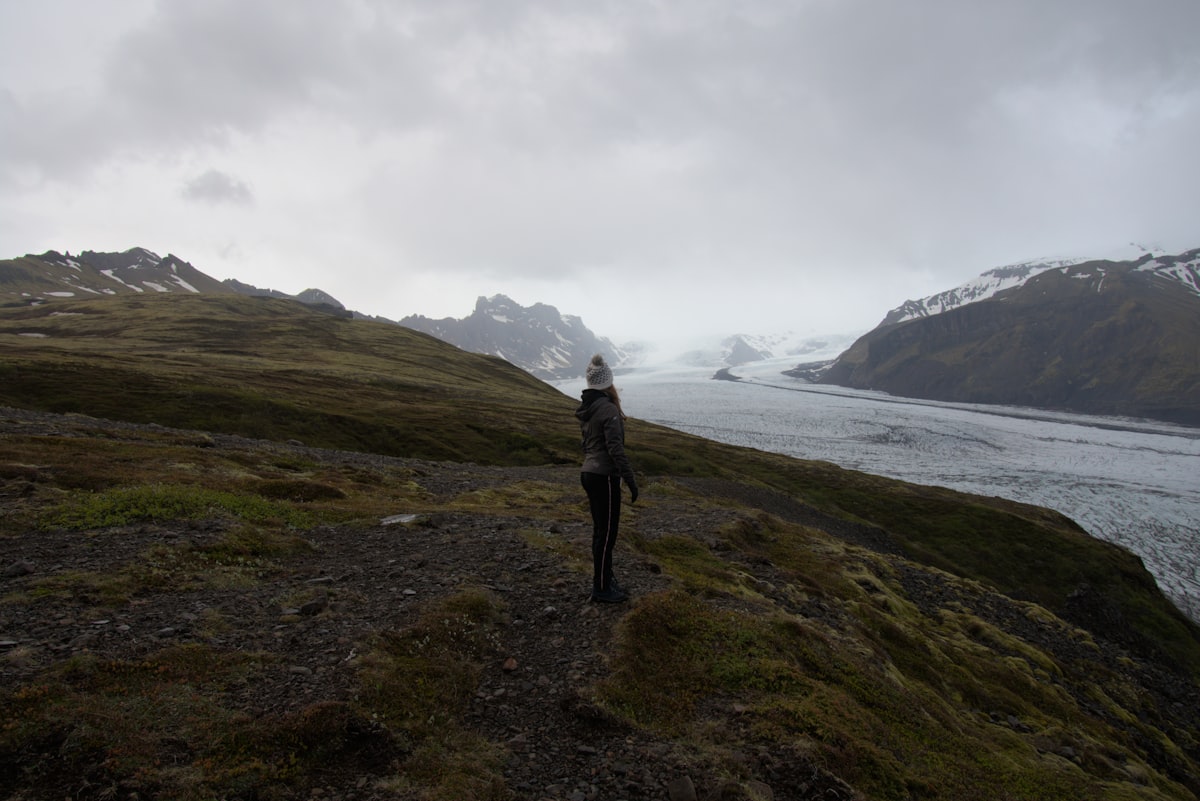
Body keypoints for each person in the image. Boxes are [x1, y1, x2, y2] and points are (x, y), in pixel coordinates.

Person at [575, 353, 638, 603]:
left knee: (600, 531)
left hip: (588, 473)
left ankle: (604, 579)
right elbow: (615, 449)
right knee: (607, 533)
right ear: (608, 382)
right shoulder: (609, 409)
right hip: (604, 477)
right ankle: (601, 588)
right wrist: (630, 480)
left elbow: (586, 444)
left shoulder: (587, 409)